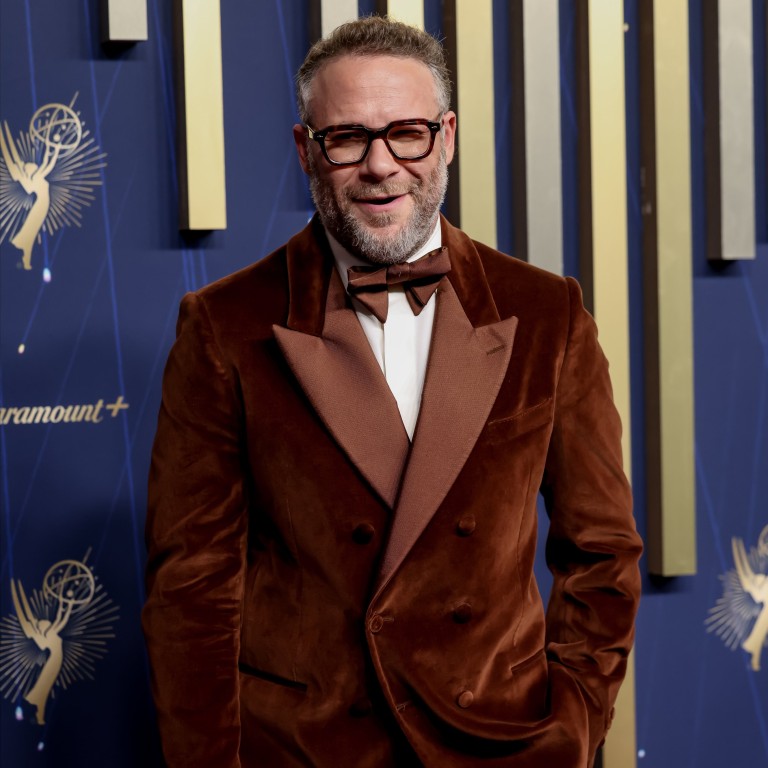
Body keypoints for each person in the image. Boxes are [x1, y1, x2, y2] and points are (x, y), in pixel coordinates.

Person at [143, 16, 642, 768]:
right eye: (347, 138)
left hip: (499, 747)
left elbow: (602, 553)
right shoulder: (223, 326)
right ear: (306, 151)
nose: (380, 166)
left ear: (445, 138)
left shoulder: (548, 314)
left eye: (405, 133)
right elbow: (193, 589)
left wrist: (571, 726)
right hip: (306, 749)